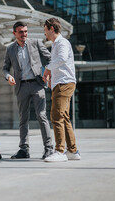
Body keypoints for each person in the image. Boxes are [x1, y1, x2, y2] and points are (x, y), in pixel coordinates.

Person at [3, 21, 54, 159]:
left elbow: (50, 58)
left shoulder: (36, 43)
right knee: (23, 119)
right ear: (14, 33)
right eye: (21, 32)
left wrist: (47, 72)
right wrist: (8, 76)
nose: (24, 34)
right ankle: (24, 149)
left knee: (41, 116)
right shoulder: (10, 49)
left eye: (25, 31)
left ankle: (49, 148)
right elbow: (5, 68)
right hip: (21, 86)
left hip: (38, 84)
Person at [42, 18, 81, 162]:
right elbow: (60, 62)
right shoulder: (56, 44)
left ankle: (59, 151)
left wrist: (47, 69)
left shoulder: (62, 43)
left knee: (56, 115)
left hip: (64, 83)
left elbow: (63, 58)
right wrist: (52, 75)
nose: (45, 33)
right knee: (64, 117)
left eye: (45, 30)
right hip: (62, 82)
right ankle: (72, 151)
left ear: (52, 29)